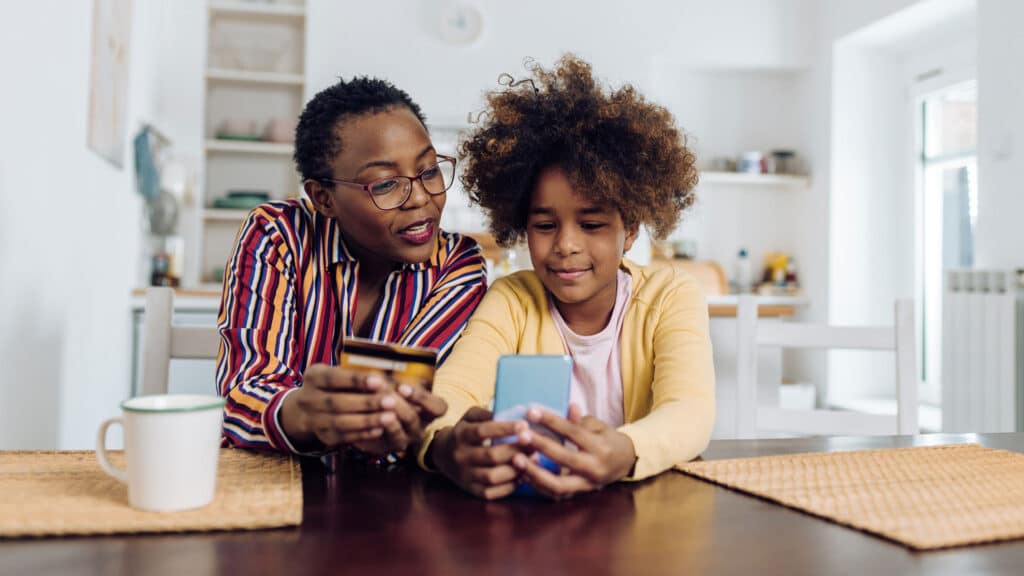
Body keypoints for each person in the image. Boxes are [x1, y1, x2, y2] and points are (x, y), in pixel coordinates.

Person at [419, 55, 715, 499]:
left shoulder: (671, 296)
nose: (566, 245)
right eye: (544, 225)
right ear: (521, 225)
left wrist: (625, 450)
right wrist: (445, 445)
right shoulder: (512, 299)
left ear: (630, 229)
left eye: (592, 225)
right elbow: (453, 391)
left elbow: (689, 411)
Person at [216, 77, 487, 456]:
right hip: (273, 483)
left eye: (428, 171)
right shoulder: (278, 235)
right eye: (385, 184)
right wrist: (302, 415)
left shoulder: (457, 264)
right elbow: (241, 397)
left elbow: (402, 405)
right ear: (323, 198)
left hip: (387, 498)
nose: (421, 198)